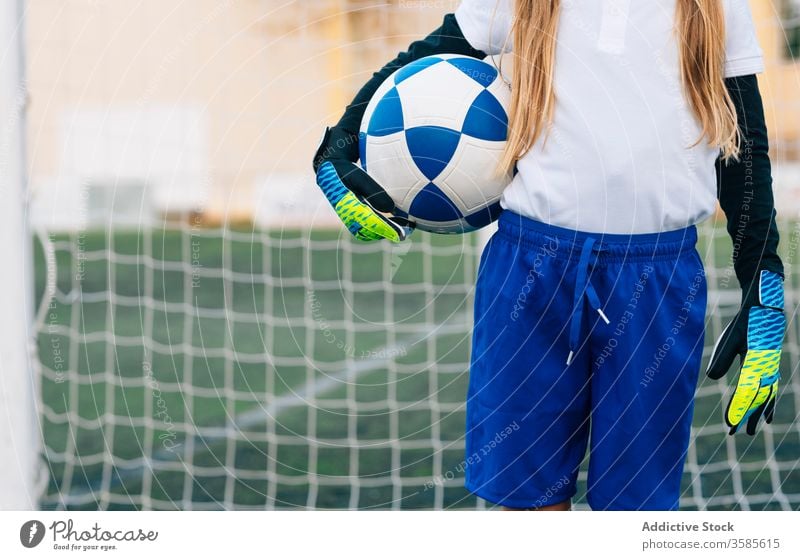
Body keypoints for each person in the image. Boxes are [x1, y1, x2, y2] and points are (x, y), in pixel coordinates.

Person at [312, 0, 785, 511]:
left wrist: (766, 287)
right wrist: (339, 142)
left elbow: (745, 149)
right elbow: (431, 54)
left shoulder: (718, 6)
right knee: (526, 503)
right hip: (530, 269)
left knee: (636, 510)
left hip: (658, 279)